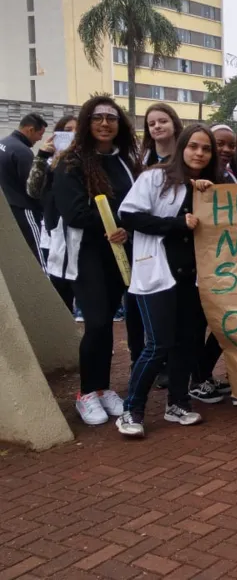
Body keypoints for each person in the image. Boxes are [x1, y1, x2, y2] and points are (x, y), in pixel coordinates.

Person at [115, 125, 220, 437]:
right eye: (194, 147)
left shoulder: (206, 187)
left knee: (187, 344)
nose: (199, 153)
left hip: (192, 278)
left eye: (206, 149)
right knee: (157, 344)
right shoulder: (154, 177)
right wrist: (176, 224)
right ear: (182, 147)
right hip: (158, 275)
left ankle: (178, 403)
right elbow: (129, 215)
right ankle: (131, 409)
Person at [50, 95, 142, 426]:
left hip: (118, 254)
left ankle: (102, 388)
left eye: (112, 118)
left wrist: (125, 229)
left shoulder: (125, 162)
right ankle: (86, 393)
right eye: (98, 118)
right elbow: (74, 213)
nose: (105, 123)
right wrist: (113, 225)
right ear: (88, 122)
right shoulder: (71, 162)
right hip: (85, 253)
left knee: (106, 326)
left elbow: (136, 204)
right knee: (99, 321)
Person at [26, 115, 76, 310]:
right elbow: (33, 191)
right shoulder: (47, 164)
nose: (72, 135)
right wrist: (42, 156)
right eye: (68, 130)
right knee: (60, 292)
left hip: (81, 237)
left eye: (77, 131)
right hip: (53, 237)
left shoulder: (90, 163)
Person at [0, 112, 48, 267]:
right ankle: (46, 285)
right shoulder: (22, 152)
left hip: (8, 206)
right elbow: (32, 187)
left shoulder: (3, 143)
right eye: (40, 134)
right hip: (24, 209)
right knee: (37, 250)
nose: (40, 139)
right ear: (30, 130)